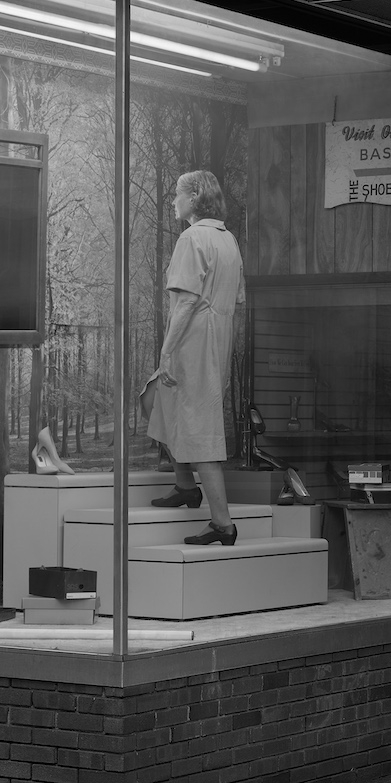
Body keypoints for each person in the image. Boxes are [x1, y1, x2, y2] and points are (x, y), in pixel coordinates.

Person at [145, 170, 244, 546]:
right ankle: (185, 485)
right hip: (217, 338)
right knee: (156, 399)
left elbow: (186, 301)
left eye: (178, 194)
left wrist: (167, 351)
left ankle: (223, 524)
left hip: (194, 339)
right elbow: (238, 299)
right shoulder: (228, 239)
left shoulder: (192, 237)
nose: (173, 201)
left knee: (200, 430)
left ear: (194, 197)